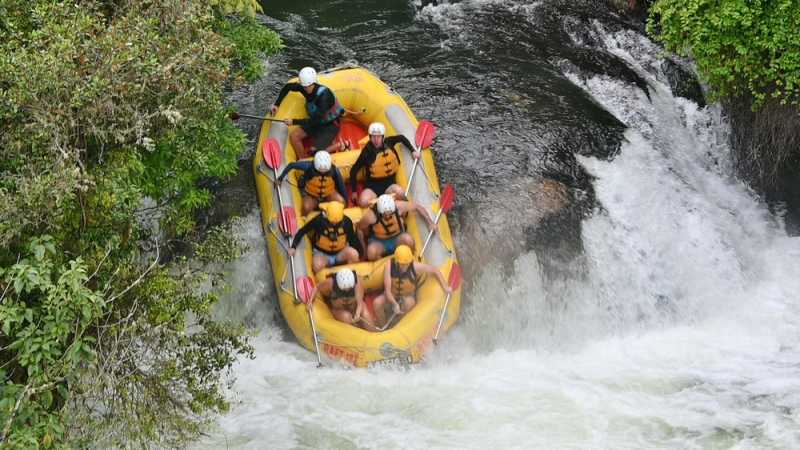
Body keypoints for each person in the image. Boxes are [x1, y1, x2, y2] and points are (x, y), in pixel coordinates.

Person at [271, 67, 347, 159]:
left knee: (314, 151)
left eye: (308, 86)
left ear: (313, 83)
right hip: (316, 122)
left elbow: (315, 120)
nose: (306, 89)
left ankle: (340, 145)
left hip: (330, 125)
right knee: (294, 136)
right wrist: (277, 104)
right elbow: (287, 87)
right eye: (304, 86)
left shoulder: (324, 96)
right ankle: (303, 159)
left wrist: (294, 122)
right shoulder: (304, 87)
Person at [372, 245, 451, 328]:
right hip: (392, 295)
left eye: (406, 264)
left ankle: (397, 325)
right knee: (377, 303)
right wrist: (394, 303)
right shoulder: (389, 265)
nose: (404, 266)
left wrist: (445, 287)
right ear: (396, 261)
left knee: (410, 303)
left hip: (407, 295)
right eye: (402, 264)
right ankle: (383, 326)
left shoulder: (416, 267)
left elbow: (434, 270)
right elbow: (387, 291)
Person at [349, 122, 420, 207]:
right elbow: (353, 170)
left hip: (389, 185)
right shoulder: (366, 152)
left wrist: (413, 151)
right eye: (373, 137)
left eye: (378, 137)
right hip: (372, 187)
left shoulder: (389, 142)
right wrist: (354, 191)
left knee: (401, 193)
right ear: (370, 137)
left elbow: (401, 138)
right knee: (363, 202)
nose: (376, 140)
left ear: (382, 137)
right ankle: (378, 210)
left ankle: (404, 210)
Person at [357, 194, 435, 261]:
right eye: (385, 214)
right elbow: (359, 228)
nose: (388, 216)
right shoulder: (370, 216)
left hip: (398, 238)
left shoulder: (398, 206)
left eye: (390, 214)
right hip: (380, 242)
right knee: (371, 253)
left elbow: (417, 207)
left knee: (408, 240)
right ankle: (385, 265)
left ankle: (410, 259)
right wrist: (364, 248)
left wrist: (430, 222)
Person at [288, 201, 361, 272]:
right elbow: (302, 231)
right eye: (332, 222)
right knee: (316, 266)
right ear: (326, 215)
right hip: (322, 254)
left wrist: (360, 253)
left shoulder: (347, 222)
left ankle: (345, 272)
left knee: (354, 255)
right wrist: (293, 247)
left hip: (340, 252)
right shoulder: (319, 221)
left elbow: (352, 238)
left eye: (337, 223)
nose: (334, 225)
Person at [277, 151, 347, 214]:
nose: (322, 172)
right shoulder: (308, 166)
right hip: (310, 194)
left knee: (341, 202)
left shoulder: (334, 170)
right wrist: (280, 179)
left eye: (325, 170)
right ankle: (304, 219)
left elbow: (341, 185)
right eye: (320, 170)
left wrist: (346, 200)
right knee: (306, 207)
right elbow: (291, 165)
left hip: (328, 193)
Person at [307, 269, 377, 331]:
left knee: (366, 315)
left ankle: (373, 332)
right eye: (344, 289)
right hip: (339, 309)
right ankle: (357, 330)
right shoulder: (330, 283)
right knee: (346, 318)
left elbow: (360, 302)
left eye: (349, 288)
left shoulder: (357, 283)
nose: (347, 290)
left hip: (354, 306)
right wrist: (310, 301)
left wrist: (358, 313)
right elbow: (317, 287)